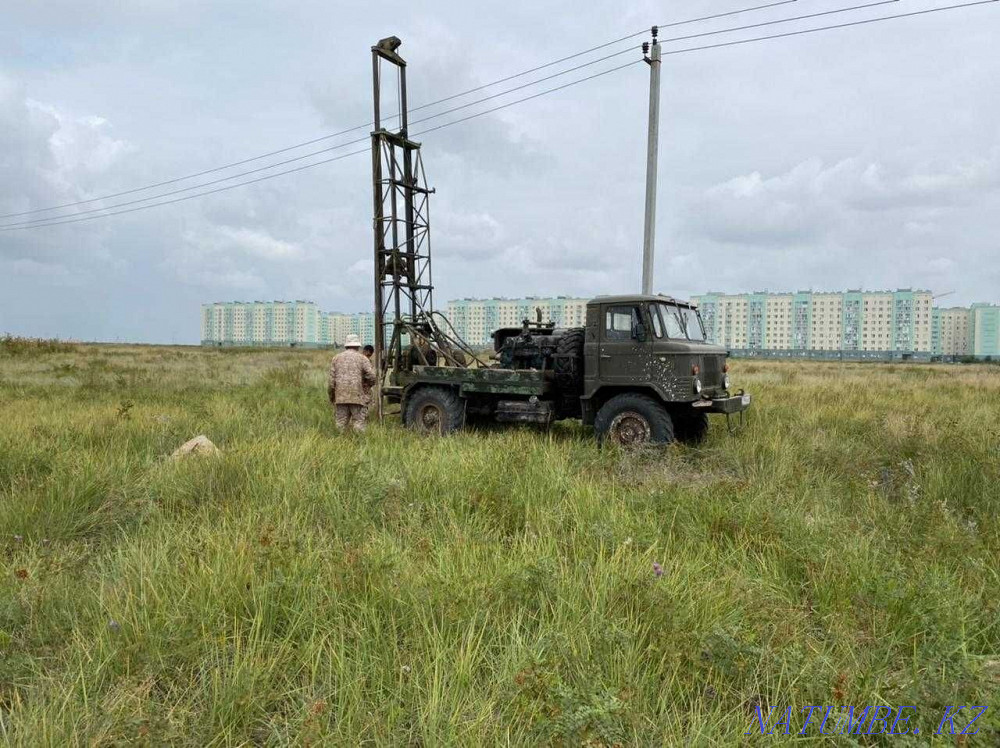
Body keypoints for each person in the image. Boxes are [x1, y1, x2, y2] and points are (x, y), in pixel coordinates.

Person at [328, 334, 376, 432]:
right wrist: (366, 386)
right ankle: (359, 445)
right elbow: (372, 376)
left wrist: (332, 396)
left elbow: (331, 382)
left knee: (340, 424)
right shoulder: (363, 359)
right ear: (358, 346)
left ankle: (338, 444)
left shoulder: (336, 358)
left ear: (346, 345)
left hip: (340, 397)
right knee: (359, 424)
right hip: (358, 396)